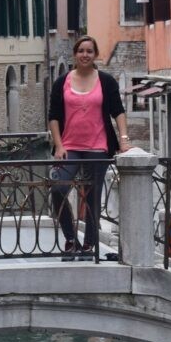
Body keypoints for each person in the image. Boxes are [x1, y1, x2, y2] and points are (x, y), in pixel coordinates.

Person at [48, 35, 132, 256]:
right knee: (58, 189)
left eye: (89, 51)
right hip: (69, 146)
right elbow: (54, 116)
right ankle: (70, 238)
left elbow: (118, 112)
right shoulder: (62, 82)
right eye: (81, 51)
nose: (85, 55)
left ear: (95, 55)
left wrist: (124, 140)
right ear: (75, 54)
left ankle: (90, 244)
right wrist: (58, 146)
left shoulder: (106, 81)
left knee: (92, 196)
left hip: (98, 146)